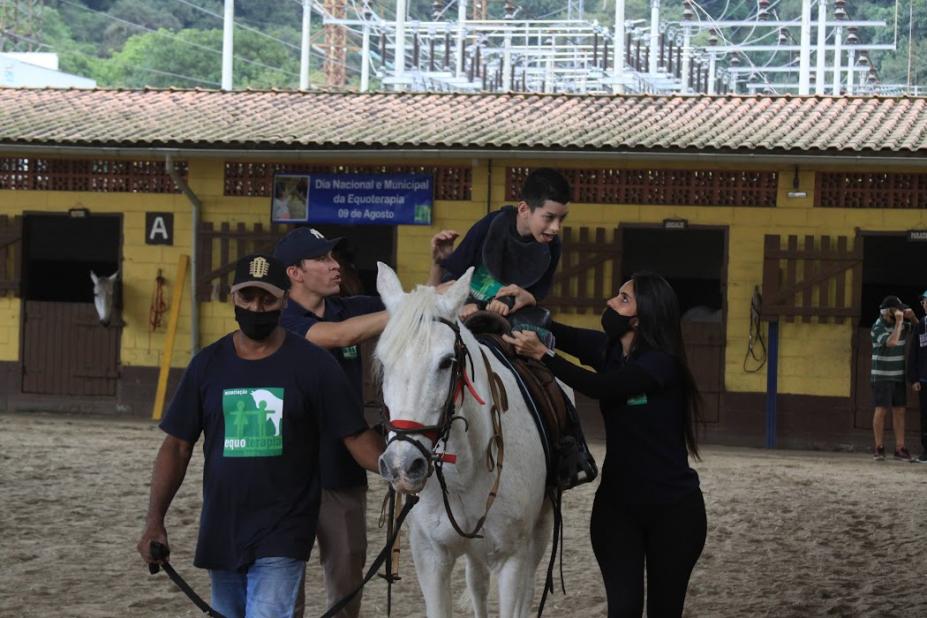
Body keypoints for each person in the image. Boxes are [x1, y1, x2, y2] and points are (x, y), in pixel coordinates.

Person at [136, 253, 384, 618]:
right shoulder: (207, 365)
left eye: (267, 298)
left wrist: (401, 468)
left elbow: (356, 437)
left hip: (284, 530)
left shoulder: (315, 365)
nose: (256, 307)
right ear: (232, 298)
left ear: (284, 299)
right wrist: (154, 521)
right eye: (247, 298)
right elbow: (177, 445)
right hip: (222, 530)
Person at [504, 271, 706, 618]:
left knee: (665, 611)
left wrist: (544, 356)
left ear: (641, 319)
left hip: (674, 513)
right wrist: (533, 305)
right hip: (618, 510)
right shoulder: (611, 351)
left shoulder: (661, 365)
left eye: (623, 299)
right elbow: (562, 334)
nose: (610, 303)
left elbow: (601, 387)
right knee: (623, 609)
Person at [273, 227, 387, 618]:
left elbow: (403, 302)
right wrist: (407, 311)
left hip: (343, 468)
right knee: (286, 579)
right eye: (321, 259)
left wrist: (438, 271)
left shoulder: (349, 307)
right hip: (289, 472)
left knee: (347, 574)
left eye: (333, 257)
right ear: (295, 273)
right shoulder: (280, 319)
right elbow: (338, 337)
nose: (334, 265)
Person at [429, 167, 571, 319]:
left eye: (561, 219)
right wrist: (465, 302)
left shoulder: (552, 246)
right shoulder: (490, 225)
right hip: (464, 308)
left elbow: (535, 295)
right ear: (523, 209)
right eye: (549, 217)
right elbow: (451, 276)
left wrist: (525, 298)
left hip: (506, 318)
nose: (556, 228)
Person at [871, 295, 917, 461]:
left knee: (900, 411)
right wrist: (899, 323)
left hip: (898, 374)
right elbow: (891, 342)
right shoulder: (878, 326)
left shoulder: (904, 323)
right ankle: (879, 447)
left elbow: (921, 332)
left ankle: (900, 448)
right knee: (881, 409)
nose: (901, 312)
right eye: (898, 309)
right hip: (882, 375)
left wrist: (913, 318)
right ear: (888, 312)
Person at [908, 290, 927, 464]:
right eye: (923, 302)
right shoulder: (922, 324)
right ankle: (926, 450)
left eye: (926, 301)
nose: (924, 304)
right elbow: (914, 352)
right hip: (924, 379)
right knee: (925, 415)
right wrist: (914, 378)